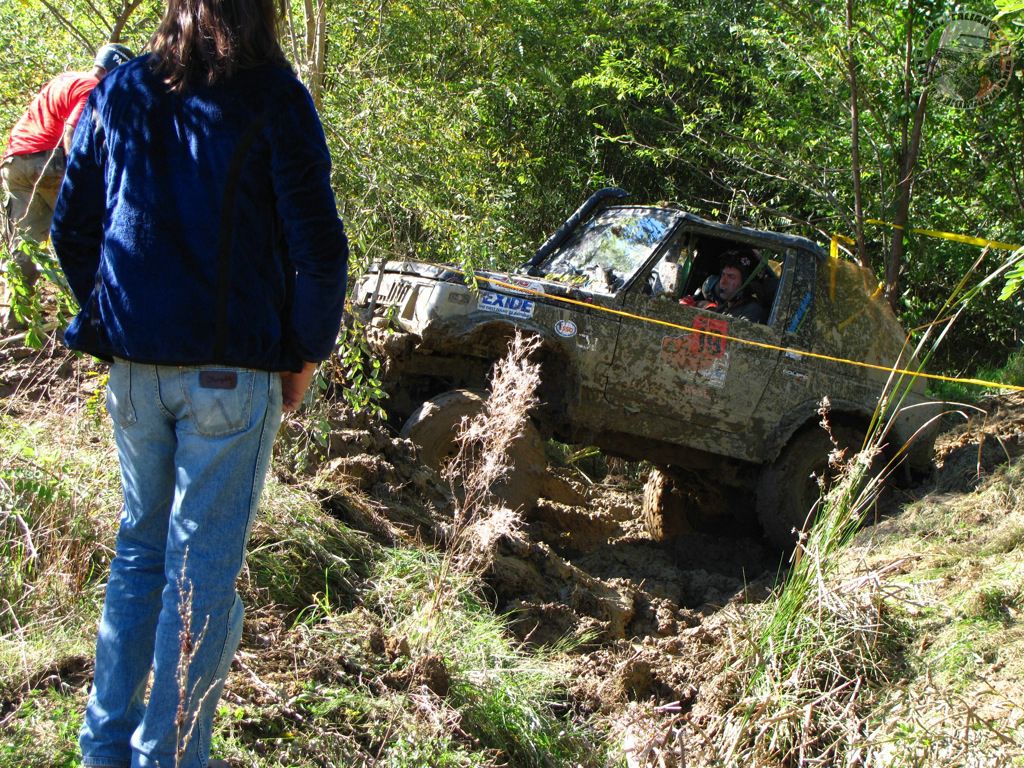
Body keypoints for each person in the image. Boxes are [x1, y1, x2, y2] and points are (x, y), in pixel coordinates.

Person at [50, 0, 348, 764]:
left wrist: (121, 317)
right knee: (200, 574)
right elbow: (319, 250)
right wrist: (303, 356)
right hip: (230, 374)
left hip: (136, 372)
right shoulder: (277, 97)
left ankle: (105, 750)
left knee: (139, 555)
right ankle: (172, 757)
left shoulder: (121, 92)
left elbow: (72, 228)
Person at [0, 43, 132, 331]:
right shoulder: (89, 88)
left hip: (14, 164)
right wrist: (85, 178)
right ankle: (97, 313)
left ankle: (14, 319)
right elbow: (74, 131)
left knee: (25, 243)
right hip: (50, 162)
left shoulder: (64, 79)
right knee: (89, 231)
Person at [680, 249, 766, 323]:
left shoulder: (752, 311)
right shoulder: (727, 305)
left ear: (745, 283)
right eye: (723, 275)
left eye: (731, 277)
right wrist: (688, 310)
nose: (722, 281)